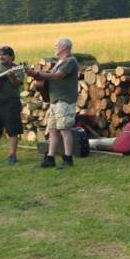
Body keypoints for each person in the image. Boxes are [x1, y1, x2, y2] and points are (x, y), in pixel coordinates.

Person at [27, 38, 80, 168]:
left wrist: (36, 73)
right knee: (53, 130)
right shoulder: (60, 62)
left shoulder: (70, 61)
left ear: (64, 47)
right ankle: (50, 158)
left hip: (65, 101)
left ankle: (68, 159)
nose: (54, 47)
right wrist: (33, 73)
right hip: (55, 101)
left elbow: (57, 76)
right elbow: (50, 74)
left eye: (56, 45)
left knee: (65, 130)